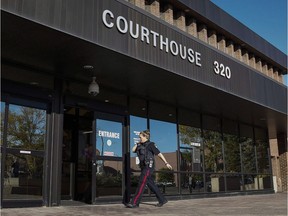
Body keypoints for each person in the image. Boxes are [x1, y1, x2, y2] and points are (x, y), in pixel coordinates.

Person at [126, 130, 172, 208]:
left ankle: (134, 202)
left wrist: (166, 163)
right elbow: (133, 150)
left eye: (140, 137)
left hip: (148, 167)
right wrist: (138, 143)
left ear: (145, 136)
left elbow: (159, 154)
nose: (139, 138)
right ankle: (162, 199)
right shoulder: (140, 145)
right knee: (151, 184)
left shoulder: (151, 145)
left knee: (142, 183)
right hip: (143, 167)